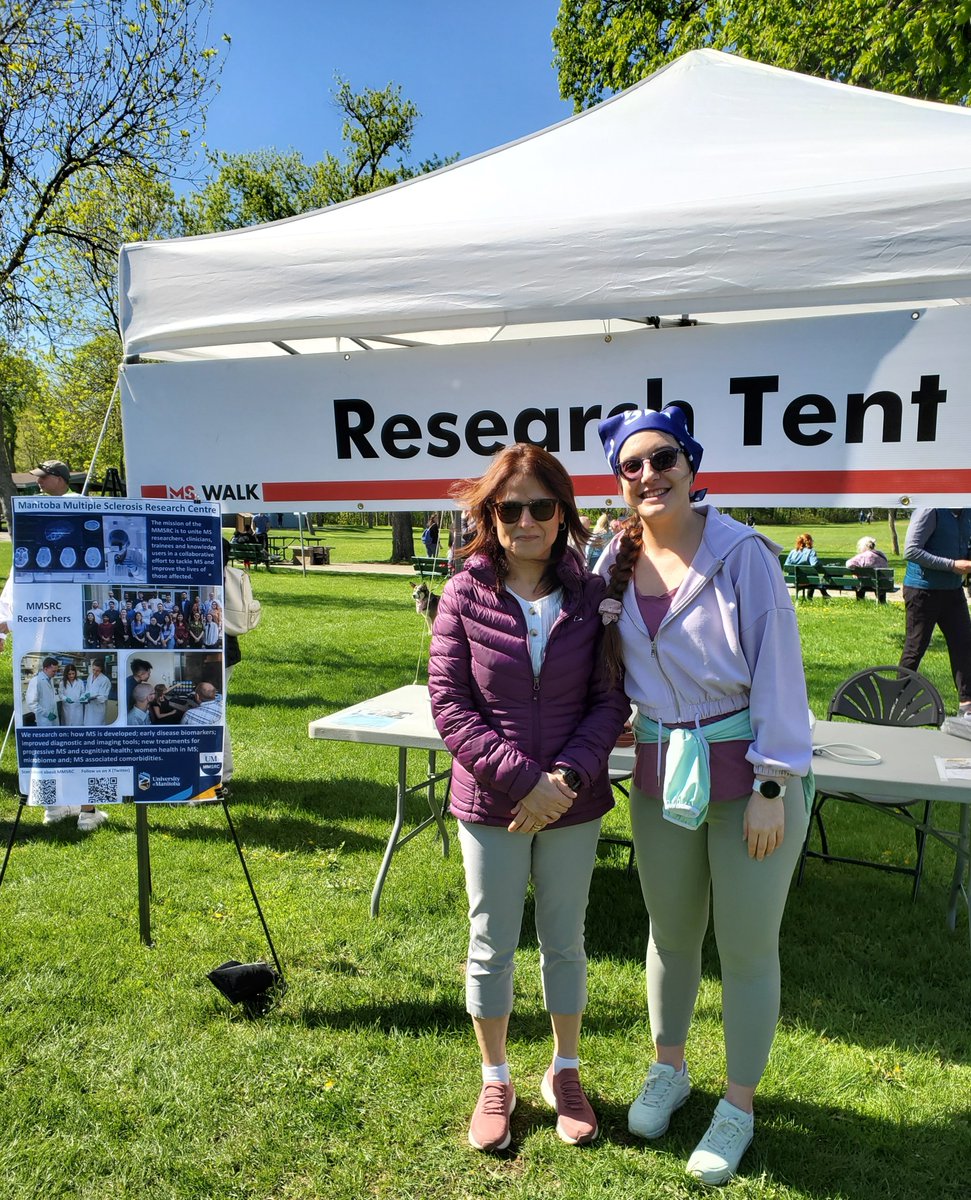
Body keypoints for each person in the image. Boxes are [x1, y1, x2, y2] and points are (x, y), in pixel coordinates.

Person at [595, 404, 813, 1186]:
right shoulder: (609, 558)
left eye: (662, 460)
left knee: (747, 947)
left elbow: (780, 673)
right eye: (632, 466)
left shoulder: (743, 553)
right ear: (618, 480)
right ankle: (669, 1067)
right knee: (670, 931)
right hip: (661, 773)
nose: (648, 476)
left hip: (752, 771)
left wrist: (769, 784)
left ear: (689, 465)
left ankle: (738, 1104)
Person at [428, 444, 628, 1154]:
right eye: (509, 507)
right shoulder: (462, 592)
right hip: (491, 803)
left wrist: (565, 781)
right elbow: (449, 704)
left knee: (564, 941)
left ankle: (565, 1070)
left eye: (540, 505)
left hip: (574, 799)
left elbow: (610, 702)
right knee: (490, 945)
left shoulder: (591, 596)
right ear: (490, 514)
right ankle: (496, 1077)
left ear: (562, 513)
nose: (525, 519)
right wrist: (523, 782)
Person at [898, 508, 971, 718]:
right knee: (916, 647)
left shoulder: (966, 511)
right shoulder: (930, 510)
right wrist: (952, 565)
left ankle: (967, 706)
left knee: (964, 645)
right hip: (922, 591)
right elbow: (911, 551)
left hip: (952, 591)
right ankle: (900, 702)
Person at [783, 532, 829, 599]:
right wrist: (821, 564)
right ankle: (811, 597)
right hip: (806, 581)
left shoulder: (793, 552)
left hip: (793, 580)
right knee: (814, 576)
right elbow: (814, 564)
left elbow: (786, 566)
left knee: (813, 576)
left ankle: (818, 595)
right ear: (809, 541)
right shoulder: (811, 551)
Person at [845, 535, 890, 602]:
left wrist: (857, 569)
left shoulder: (862, 556)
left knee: (859, 579)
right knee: (878, 581)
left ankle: (860, 600)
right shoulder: (882, 555)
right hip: (881, 583)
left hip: (865, 584)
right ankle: (882, 602)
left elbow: (848, 564)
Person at [25, 657, 60, 727]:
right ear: (45, 669)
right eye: (53, 671)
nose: (55, 673)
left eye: (56, 671)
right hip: (44, 720)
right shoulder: (36, 681)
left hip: (53, 717)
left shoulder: (50, 679)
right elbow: (31, 703)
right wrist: (47, 714)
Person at [82, 657, 113, 728]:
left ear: (101, 669)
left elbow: (104, 696)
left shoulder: (105, 680)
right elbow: (87, 689)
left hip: (98, 707)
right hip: (89, 706)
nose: (95, 672)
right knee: (88, 725)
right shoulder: (90, 676)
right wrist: (85, 697)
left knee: (97, 727)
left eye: (97, 671)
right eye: (93, 670)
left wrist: (93, 698)